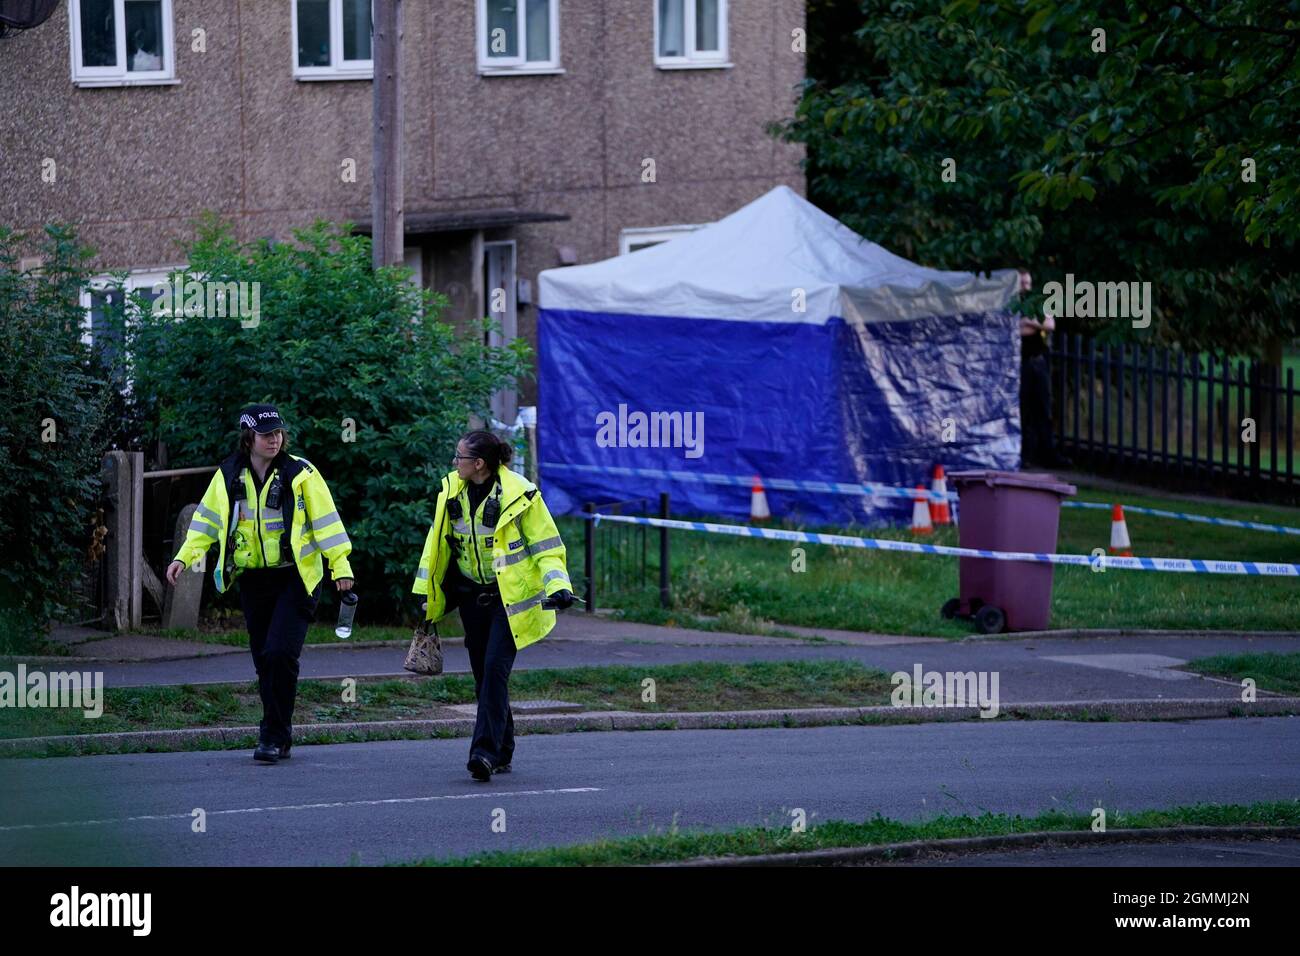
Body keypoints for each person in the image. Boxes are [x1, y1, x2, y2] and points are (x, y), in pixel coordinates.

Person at [165, 405, 354, 763]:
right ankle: (278, 733)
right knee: (264, 660)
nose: (275, 439)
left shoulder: (300, 473)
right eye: (266, 434)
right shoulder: (229, 474)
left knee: (280, 653)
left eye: (278, 433)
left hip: (296, 577)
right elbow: (206, 521)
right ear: (248, 437)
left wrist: (340, 567)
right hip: (253, 579)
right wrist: (183, 558)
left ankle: (272, 735)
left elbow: (327, 523)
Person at [411, 430, 573, 781]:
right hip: (472, 598)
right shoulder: (451, 490)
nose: (455, 463)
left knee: (495, 672)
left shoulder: (521, 495)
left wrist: (559, 585)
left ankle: (483, 753)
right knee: (485, 676)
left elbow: (547, 547)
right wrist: (425, 592)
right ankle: (504, 750)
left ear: (479, 464)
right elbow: (435, 545)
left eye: (460, 458)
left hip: (509, 601)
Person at [1017, 270, 1071, 469]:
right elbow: (1014, 328)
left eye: (1028, 282)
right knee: (1024, 410)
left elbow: (1049, 324)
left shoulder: (1035, 303)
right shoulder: (1011, 303)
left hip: (1038, 361)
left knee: (1043, 408)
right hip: (1020, 363)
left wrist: (1026, 321)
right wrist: (1034, 324)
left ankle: (1048, 453)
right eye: (1022, 282)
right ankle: (1026, 455)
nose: (1026, 287)